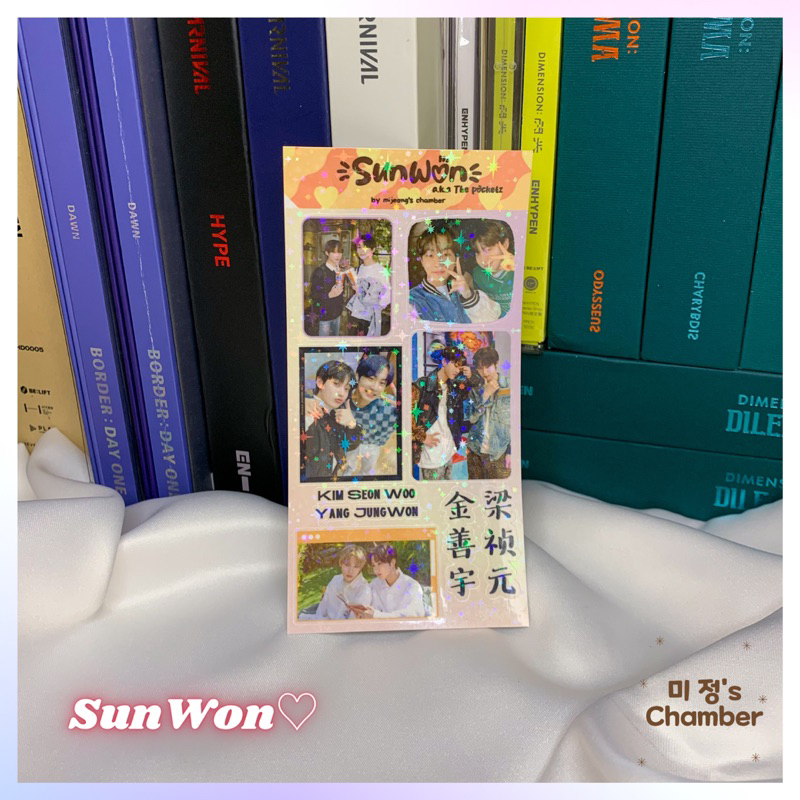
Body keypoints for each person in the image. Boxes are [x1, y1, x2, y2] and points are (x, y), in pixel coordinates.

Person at [408, 227, 501, 324]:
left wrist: (468, 295)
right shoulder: (412, 301)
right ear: (421, 260)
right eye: (430, 255)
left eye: (446, 254)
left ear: (456, 258)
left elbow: (490, 321)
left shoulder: (464, 292)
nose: (438, 263)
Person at [411, 345, 472, 481]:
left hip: (448, 450)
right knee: (432, 492)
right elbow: (405, 416)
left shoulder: (453, 388)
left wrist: (469, 377)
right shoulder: (422, 385)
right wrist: (421, 437)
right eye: (455, 365)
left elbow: (470, 392)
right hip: (431, 454)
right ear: (444, 361)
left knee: (447, 491)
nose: (457, 370)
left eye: (460, 367)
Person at [302, 360, 362, 481]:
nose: (342, 393)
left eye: (346, 389)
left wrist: (352, 425)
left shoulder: (337, 415)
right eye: (336, 384)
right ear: (320, 382)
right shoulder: (306, 413)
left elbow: (348, 445)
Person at [341, 354, 397, 477]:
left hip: (372, 445)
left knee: (368, 469)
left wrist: (407, 407)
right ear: (357, 376)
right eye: (371, 378)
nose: (375, 387)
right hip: (351, 443)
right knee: (349, 466)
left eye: (382, 383)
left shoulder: (389, 407)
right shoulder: (342, 398)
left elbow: (414, 420)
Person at [465, 346, 512, 480]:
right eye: (480, 368)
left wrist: (511, 451)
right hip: (476, 451)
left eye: (488, 366)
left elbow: (515, 422)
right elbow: (471, 418)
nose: (484, 372)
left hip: (499, 452)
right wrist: (485, 395)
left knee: (499, 491)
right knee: (475, 490)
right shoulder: (475, 390)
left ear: (496, 363)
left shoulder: (509, 387)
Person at [350, 544, 426, 619]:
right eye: (373, 565)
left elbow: (416, 613)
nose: (376, 569)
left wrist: (377, 616)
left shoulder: (412, 585)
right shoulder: (374, 585)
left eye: (379, 564)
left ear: (392, 562)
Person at [300, 544, 372, 620]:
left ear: (360, 568)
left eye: (356, 567)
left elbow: (353, 622)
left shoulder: (364, 590)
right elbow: (322, 609)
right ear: (341, 563)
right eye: (347, 565)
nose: (350, 571)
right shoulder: (336, 580)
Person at [346, 234, 391, 336]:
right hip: (357, 316)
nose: (362, 250)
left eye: (365, 247)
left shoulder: (381, 270)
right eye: (359, 247)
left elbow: (388, 294)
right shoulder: (359, 269)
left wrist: (377, 306)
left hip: (371, 317)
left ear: (373, 249)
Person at [472, 220, 515, 317]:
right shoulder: (478, 275)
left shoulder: (518, 269)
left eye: (488, 249)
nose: (483, 259)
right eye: (478, 253)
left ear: (505, 244)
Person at [308, 239, 348, 336]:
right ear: (327, 253)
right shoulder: (319, 272)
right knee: (324, 344)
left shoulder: (340, 271)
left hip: (337, 314)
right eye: (334, 252)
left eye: (339, 252)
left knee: (335, 342)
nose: (338, 255)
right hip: (324, 317)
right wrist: (329, 295)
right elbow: (313, 295)